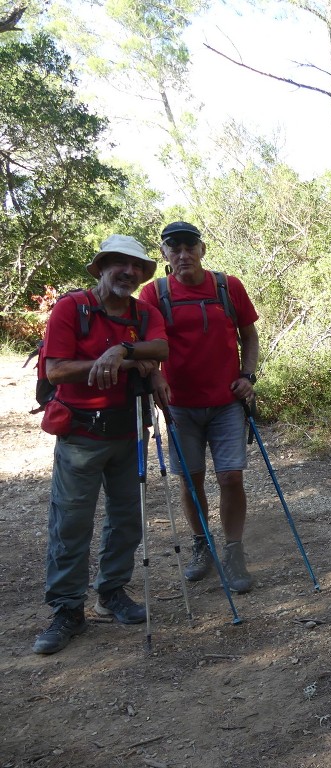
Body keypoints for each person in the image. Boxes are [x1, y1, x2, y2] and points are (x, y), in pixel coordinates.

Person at [32, 235, 169, 655]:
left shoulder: (143, 313)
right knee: (71, 524)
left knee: (127, 519)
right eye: (119, 264)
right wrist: (118, 360)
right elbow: (56, 371)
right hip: (80, 434)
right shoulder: (71, 308)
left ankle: (111, 592)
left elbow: (161, 347)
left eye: (136, 267)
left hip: (129, 431)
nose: (128, 272)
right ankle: (67, 609)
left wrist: (122, 350)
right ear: (102, 267)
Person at [140, 221, 260, 594]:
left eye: (189, 246)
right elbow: (143, 344)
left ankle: (233, 550)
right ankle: (201, 544)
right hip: (179, 406)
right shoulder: (153, 293)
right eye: (173, 247)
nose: (182, 253)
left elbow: (249, 334)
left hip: (227, 402)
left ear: (202, 249)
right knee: (190, 482)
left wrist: (248, 375)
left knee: (230, 478)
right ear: (164, 254)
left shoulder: (228, 286)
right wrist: (154, 376)